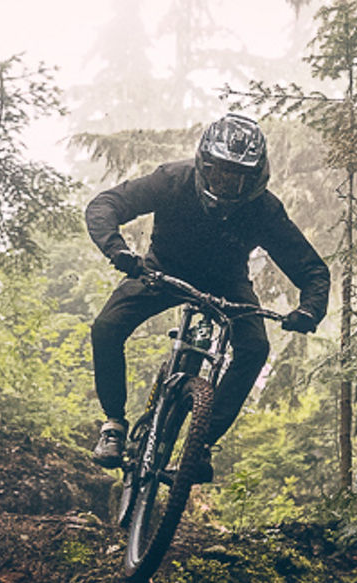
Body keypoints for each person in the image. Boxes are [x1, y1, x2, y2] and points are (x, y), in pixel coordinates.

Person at [85, 113, 329, 482]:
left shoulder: (264, 209)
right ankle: (114, 425)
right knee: (106, 327)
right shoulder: (173, 180)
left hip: (228, 283)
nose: (227, 183)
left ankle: (200, 446)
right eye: (219, 173)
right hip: (162, 270)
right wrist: (117, 250)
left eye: (238, 177)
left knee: (254, 348)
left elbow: (311, 269)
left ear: (256, 176)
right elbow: (105, 205)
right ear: (203, 165)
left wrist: (310, 310)